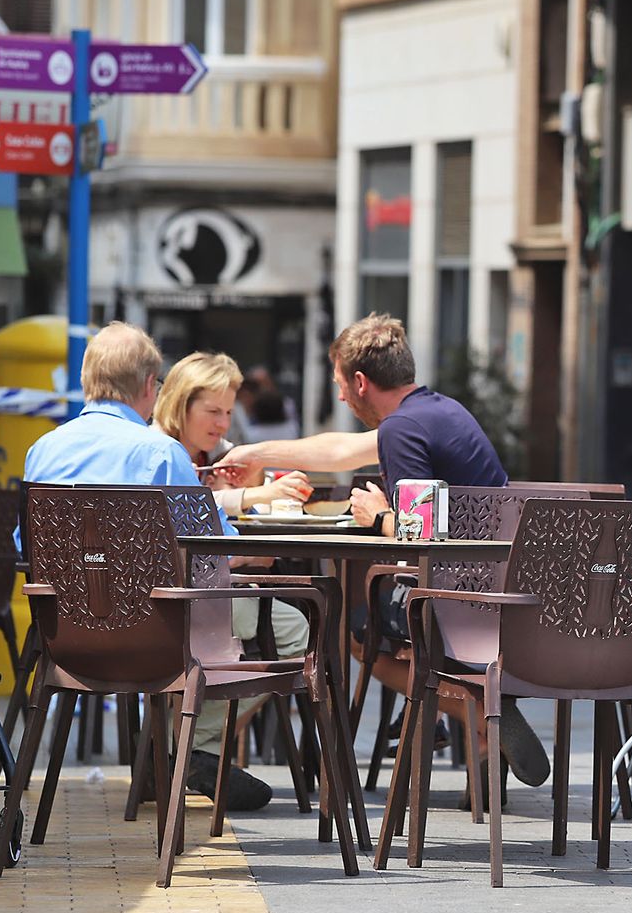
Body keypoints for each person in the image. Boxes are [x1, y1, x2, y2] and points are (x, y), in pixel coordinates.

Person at [219, 314, 547, 788]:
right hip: (500, 593)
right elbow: (340, 451)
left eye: (340, 386)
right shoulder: (439, 412)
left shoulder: (402, 429)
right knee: (382, 616)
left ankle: (476, 715)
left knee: (356, 633)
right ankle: (476, 725)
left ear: (360, 381)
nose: (340, 398)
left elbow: (421, 538)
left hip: (455, 601)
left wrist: (376, 515)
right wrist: (257, 454)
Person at [21, 323, 301, 811]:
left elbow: (27, 547)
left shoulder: (42, 451)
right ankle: (193, 750)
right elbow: (210, 554)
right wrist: (254, 553)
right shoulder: (160, 454)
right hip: (157, 643)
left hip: (66, 642)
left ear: (87, 379)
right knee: (286, 627)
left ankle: (180, 753)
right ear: (151, 386)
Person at [152, 351, 314, 516]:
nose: (224, 424)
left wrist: (253, 478)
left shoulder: (223, 451)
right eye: (213, 411)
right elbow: (179, 507)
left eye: (229, 412)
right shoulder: (151, 452)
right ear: (179, 407)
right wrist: (257, 494)